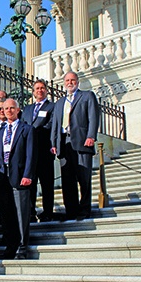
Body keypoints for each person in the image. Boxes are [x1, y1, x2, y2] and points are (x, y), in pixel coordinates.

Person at [51, 71, 100, 220]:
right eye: (67, 80)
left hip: (82, 142)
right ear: (64, 83)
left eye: (72, 80)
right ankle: (71, 211)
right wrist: (54, 143)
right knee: (67, 181)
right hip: (64, 144)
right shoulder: (59, 103)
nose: (70, 83)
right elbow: (55, 125)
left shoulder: (87, 96)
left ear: (77, 82)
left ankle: (84, 210)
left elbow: (93, 117)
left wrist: (91, 136)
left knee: (84, 179)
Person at [0, 99, 37, 260]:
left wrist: (28, 174)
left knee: (21, 214)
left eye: (12, 108)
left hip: (20, 178)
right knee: (7, 215)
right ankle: (11, 246)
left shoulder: (27, 129)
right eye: (6, 108)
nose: (9, 111)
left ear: (18, 110)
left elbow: (31, 155)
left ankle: (22, 247)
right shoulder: (0, 132)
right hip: (3, 179)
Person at [21, 79, 55, 222]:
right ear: (33, 92)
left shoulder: (52, 107)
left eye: (42, 88)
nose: (39, 90)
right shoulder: (27, 109)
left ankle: (48, 212)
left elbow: (51, 125)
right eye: (37, 88)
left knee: (47, 184)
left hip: (44, 151)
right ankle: (30, 212)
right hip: (29, 154)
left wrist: (32, 132)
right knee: (31, 184)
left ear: (46, 90)